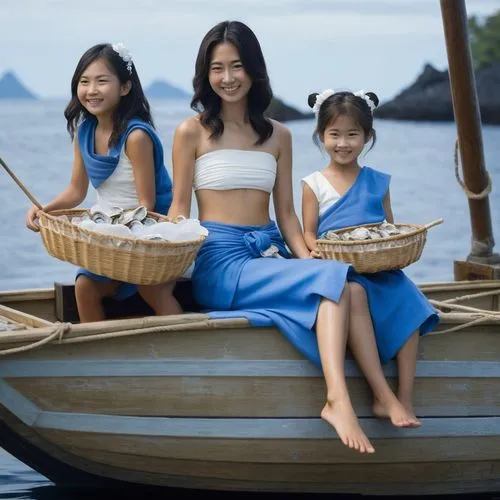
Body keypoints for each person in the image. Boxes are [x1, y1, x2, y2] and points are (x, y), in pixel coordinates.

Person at [168, 20, 423, 454]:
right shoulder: (190, 132)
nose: (227, 78)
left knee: (353, 289)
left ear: (254, 71)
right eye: (217, 68)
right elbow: (179, 210)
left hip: (270, 250)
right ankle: (336, 400)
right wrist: (156, 243)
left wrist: (310, 257)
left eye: (237, 66)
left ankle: (382, 397)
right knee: (336, 284)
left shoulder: (278, 135)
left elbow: (286, 215)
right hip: (221, 260)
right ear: (205, 74)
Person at [301, 88, 440, 423]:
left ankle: (405, 398)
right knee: (357, 295)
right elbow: (307, 231)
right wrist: (314, 249)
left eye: (353, 134)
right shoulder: (313, 183)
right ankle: (384, 396)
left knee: (412, 302)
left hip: (378, 265)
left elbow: (388, 227)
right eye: (334, 134)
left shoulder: (378, 181)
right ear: (321, 136)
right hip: (340, 270)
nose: (343, 143)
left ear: (367, 137)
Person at [25, 42, 181, 322]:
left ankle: (182, 346)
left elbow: (147, 204)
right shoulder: (84, 131)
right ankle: (98, 356)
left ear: (125, 87)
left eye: (101, 81)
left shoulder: (136, 137)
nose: (91, 90)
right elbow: (76, 191)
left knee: (151, 289)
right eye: (84, 82)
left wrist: (116, 233)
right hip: (107, 232)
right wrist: (44, 209)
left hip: (147, 233)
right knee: (84, 286)